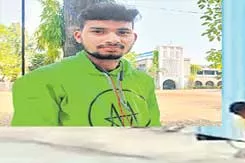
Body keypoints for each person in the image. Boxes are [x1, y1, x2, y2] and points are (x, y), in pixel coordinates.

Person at [11, 2, 160, 127]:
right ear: (78, 36)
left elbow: (154, 134)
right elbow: (34, 147)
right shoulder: (41, 81)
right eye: (98, 31)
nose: (113, 39)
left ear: (133, 38)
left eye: (122, 32)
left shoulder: (144, 81)